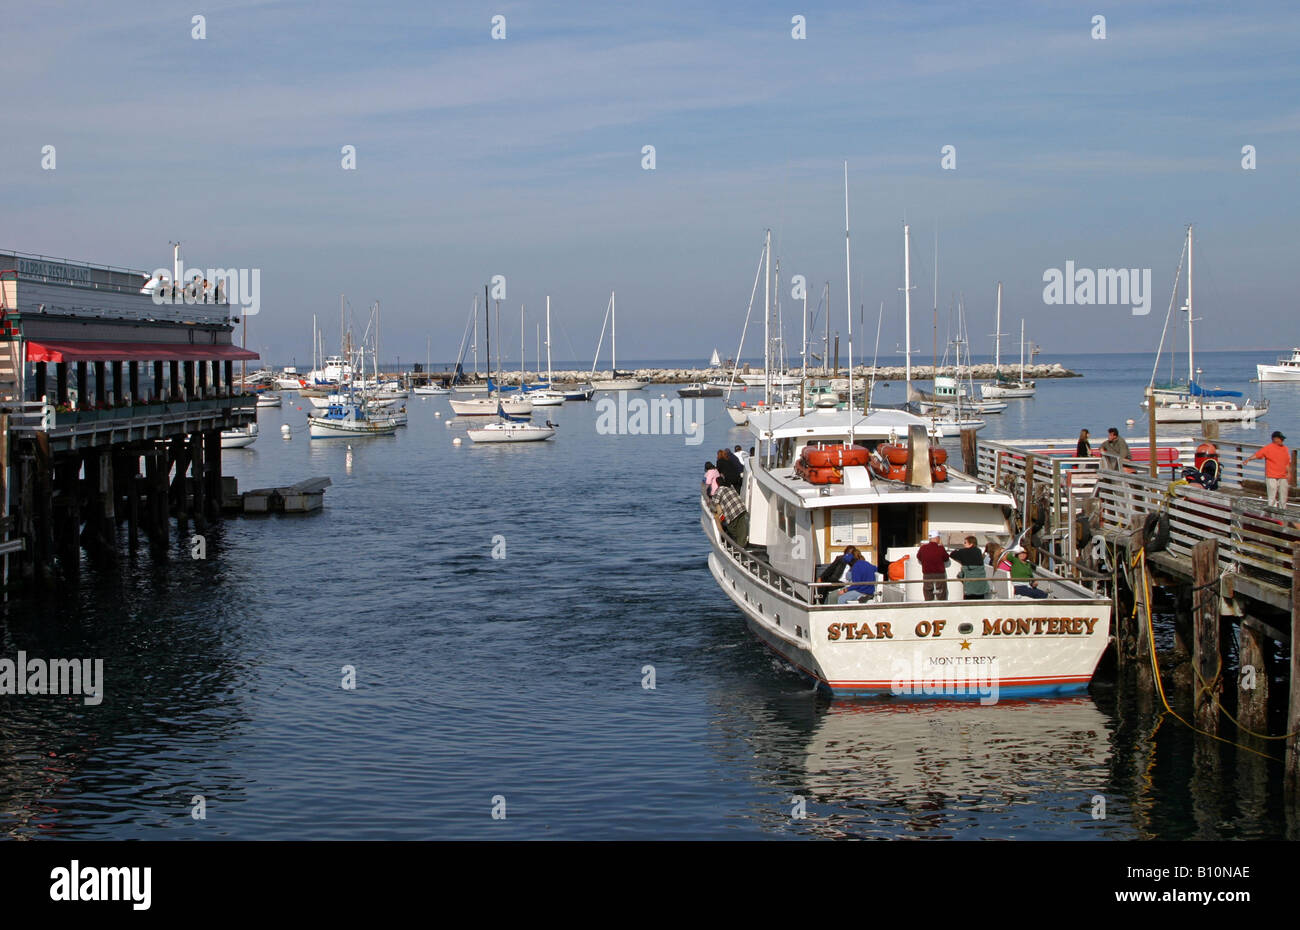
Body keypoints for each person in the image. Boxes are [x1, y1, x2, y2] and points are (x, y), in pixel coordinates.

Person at [1250, 431, 1291, 508]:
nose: (1282, 440)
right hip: (1271, 476)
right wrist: (1248, 459)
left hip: (1283, 476)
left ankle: (1283, 513)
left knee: (1283, 497)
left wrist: (1289, 473)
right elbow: (1257, 455)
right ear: (1275, 439)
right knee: (1272, 497)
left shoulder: (1285, 449)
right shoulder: (1268, 448)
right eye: (1281, 439)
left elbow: (1287, 462)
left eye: (1282, 439)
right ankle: (1272, 514)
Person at [950, 535, 991, 600]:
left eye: (965, 542)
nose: (963, 544)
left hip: (970, 585)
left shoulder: (963, 552)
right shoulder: (979, 551)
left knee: (969, 601)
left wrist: (958, 550)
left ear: (971, 544)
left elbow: (952, 554)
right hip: (980, 584)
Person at [916, 532, 950, 601]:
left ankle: (928, 606)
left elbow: (918, 557)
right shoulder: (940, 548)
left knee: (928, 592)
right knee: (941, 592)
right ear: (937, 538)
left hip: (927, 574)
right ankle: (942, 606)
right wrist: (942, 546)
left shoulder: (923, 548)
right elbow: (946, 558)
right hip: (939, 574)